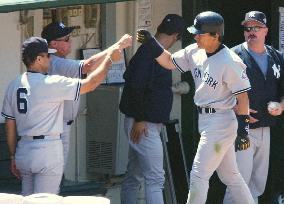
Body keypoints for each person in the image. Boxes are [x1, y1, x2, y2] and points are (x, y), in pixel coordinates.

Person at [136, 11, 255, 204]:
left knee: (199, 175)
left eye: (200, 33)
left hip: (221, 122)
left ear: (216, 35)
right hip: (206, 119)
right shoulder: (194, 50)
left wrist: (244, 130)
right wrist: (152, 44)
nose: (195, 36)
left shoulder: (230, 61)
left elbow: (243, 97)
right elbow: (168, 62)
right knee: (231, 176)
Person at [1, 36, 132, 196]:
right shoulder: (50, 82)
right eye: (48, 55)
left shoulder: (14, 84)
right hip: (47, 150)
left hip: (24, 150)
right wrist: (110, 60)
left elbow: (10, 124)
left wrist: (14, 155)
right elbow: (90, 83)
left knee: (27, 199)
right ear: (38, 59)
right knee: (46, 200)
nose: (51, 58)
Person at [41, 22, 132, 170]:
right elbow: (88, 66)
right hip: (54, 128)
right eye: (66, 39)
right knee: (53, 176)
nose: (70, 42)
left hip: (56, 126)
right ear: (53, 44)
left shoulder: (55, 61)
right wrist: (117, 47)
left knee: (54, 175)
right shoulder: (55, 62)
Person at [119, 14, 186, 204]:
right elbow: (135, 87)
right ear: (175, 35)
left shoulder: (152, 50)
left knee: (135, 176)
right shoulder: (148, 52)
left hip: (146, 122)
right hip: (143, 123)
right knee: (156, 178)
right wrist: (140, 119)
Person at [223, 11, 284, 204]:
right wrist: (235, 107)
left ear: (266, 30)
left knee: (257, 184)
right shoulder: (232, 55)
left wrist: (281, 106)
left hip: (265, 127)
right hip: (240, 128)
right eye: (248, 28)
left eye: (256, 27)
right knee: (238, 183)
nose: (251, 31)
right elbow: (215, 91)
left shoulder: (276, 56)